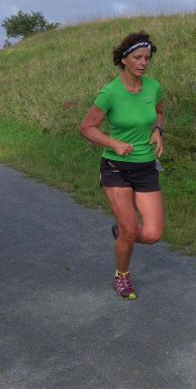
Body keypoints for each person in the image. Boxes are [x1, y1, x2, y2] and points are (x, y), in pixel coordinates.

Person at [79, 31, 165, 300]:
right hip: (116, 168)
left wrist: (158, 131)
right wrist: (113, 143)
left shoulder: (154, 87)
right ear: (124, 59)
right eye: (138, 57)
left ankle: (123, 232)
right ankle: (122, 276)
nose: (143, 63)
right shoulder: (110, 93)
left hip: (146, 167)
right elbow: (87, 127)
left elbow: (159, 112)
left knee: (152, 234)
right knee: (130, 228)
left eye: (147, 58)